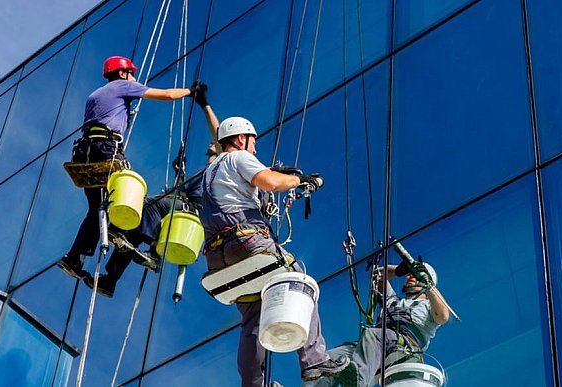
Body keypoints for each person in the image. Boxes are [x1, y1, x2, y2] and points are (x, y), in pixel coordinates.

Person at [199, 115, 349, 386]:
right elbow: (269, 181)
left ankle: (253, 384)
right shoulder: (238, 158)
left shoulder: (209, 172)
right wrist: (298, 180)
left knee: (253, 319)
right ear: (240, 139)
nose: (255, 149)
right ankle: (314, 361)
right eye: (253, 142)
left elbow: (236, 198)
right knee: (298, 281)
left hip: (218, 257)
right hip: (245, 241)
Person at [57, 55, 206, 280]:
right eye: (132, 74)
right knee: (132, 193)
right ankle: (122, 231)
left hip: (84, 154)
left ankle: (73, 258)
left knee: (96, 209)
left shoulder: (94, 95)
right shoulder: (124, 85)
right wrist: (189, 91)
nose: (135, 79)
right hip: (106, 148)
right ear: (122, 73)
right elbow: (166, 95)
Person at [84, 84, 219, 298]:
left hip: (189, 209)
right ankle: (110, 280)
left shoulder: (223, 163)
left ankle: (152, 253)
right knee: (132, 231)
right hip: (183, 203)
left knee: (149, 207)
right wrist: (180, 173)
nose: (212, 144)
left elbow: (220, 135)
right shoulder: (205, 172)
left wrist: (204, 105)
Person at [303, 261, 449, 387]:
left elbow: (442, 316)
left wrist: (429, 286)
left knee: (373, 335)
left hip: (403, 345)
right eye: (409, 274)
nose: (410, 277)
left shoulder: (429, 305)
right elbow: (377, 277)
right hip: (374, 344)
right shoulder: (393, 301)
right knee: (327, 359)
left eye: (415, 275)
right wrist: (399, 269)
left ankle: (357, 382)